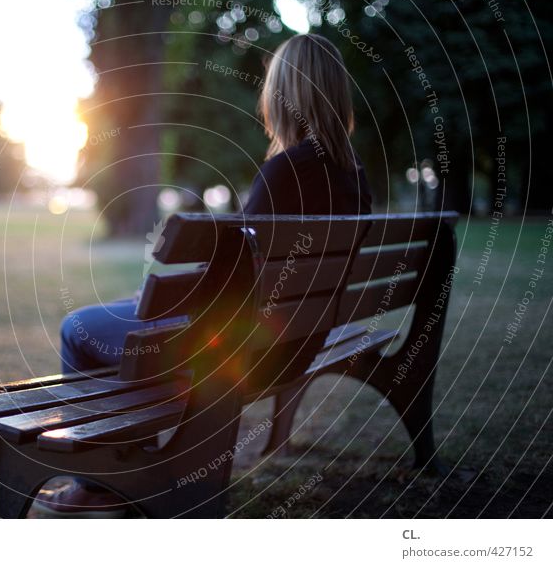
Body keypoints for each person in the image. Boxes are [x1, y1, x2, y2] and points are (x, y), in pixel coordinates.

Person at [33, 34, 372, 518]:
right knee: (129, 322)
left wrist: (158, 300)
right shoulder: (355, 178)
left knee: (80, 329)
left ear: (283, 97)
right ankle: (128, 468)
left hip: (241, 355)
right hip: (296, 350)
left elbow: (237, 284)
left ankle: (100, 482)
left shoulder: (285, 171)